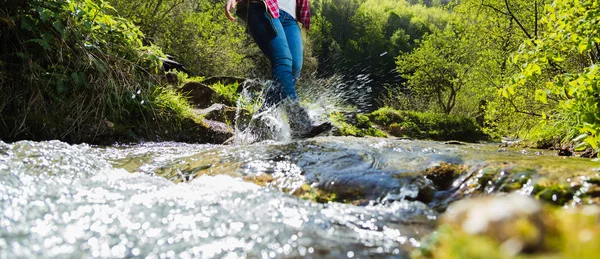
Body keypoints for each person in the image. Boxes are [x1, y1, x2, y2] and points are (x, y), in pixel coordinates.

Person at [225, 0, 330, 138]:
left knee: (293, 70)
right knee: (283, 61)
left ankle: (259, 122)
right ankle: (299, 120)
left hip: (291, 17)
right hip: (265, 7)